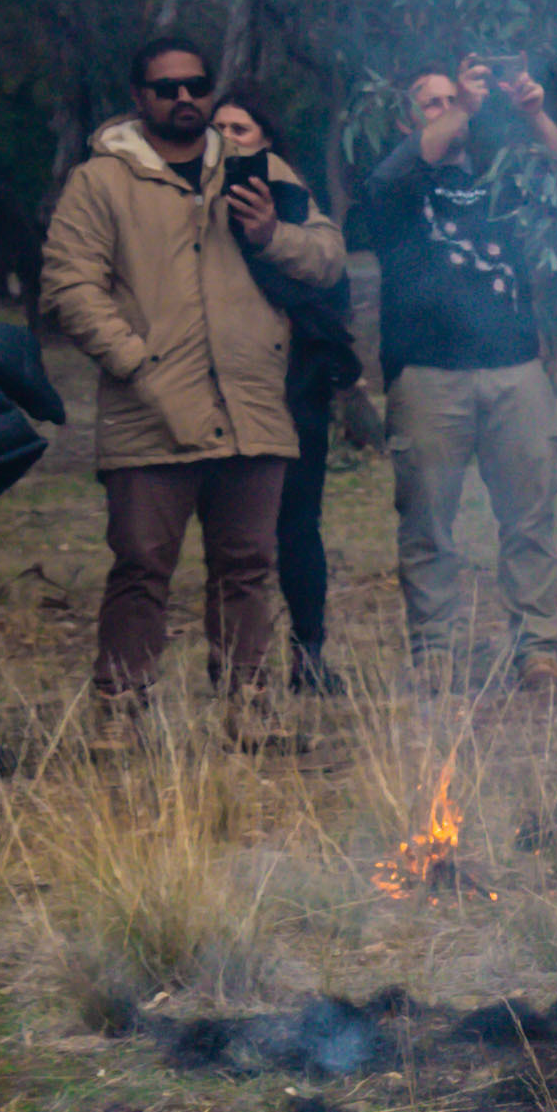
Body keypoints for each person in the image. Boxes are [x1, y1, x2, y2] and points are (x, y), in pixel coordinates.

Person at [37, 29, 345, 735]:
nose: (184, 98)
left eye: (197, 86)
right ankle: (120, 709)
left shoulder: (258, 169)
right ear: (139, 97)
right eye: (166, 88)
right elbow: (68, 286)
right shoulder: (102, 179)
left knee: (246, 565)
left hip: (251, 402)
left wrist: (274, 235)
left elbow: (327, 258)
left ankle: (249, 705)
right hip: (151, 408)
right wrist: (135, 361)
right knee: (142, 565)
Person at [356, 57, 557, 688]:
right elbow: (382, 180)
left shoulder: (499, 178)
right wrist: (466, 108)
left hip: (515, 367)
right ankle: (434, 654)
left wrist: (534, 113)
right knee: (428, 520)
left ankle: (538, 649)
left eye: (456, 98)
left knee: (530, 516)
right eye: (433, 102)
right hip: (428, 375)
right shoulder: (398, 184)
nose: (451, 110)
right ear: (408, 118)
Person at [204, 98, 362, 696]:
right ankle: (237, 664)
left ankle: (309, 653)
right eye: (217, 128)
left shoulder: (290, 191)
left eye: (239, 128)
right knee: (229, 533)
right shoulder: (184, 192)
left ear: (267, 139)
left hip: (294, 380)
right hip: (216, 381)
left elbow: (327, 262)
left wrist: (271, 231)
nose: (226, 137)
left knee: (297, 522)